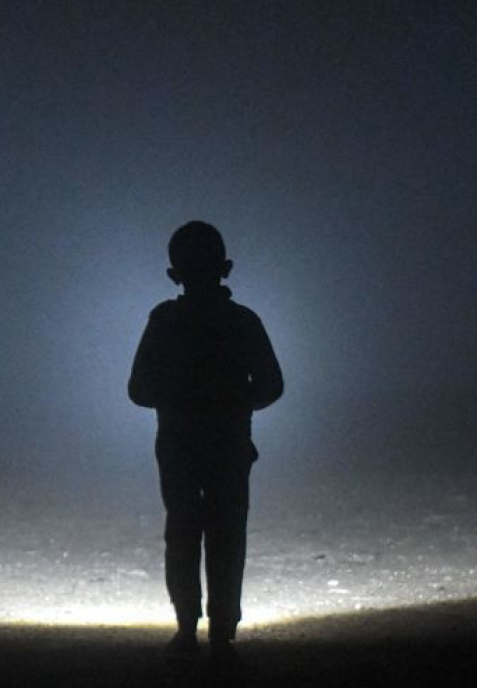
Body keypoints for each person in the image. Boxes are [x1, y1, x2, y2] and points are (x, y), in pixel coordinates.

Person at [128, 220, 283, 662]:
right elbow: (272, 384)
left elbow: (138, 389)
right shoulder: (242, 322)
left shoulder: (164, 322)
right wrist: (233, 405)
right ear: (226, 268)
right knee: (227, 533)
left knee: (182, 532)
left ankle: (187, 628)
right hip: (229, 444)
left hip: (178, 444)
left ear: (173, 275)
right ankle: (221, 631)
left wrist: (180, 399)